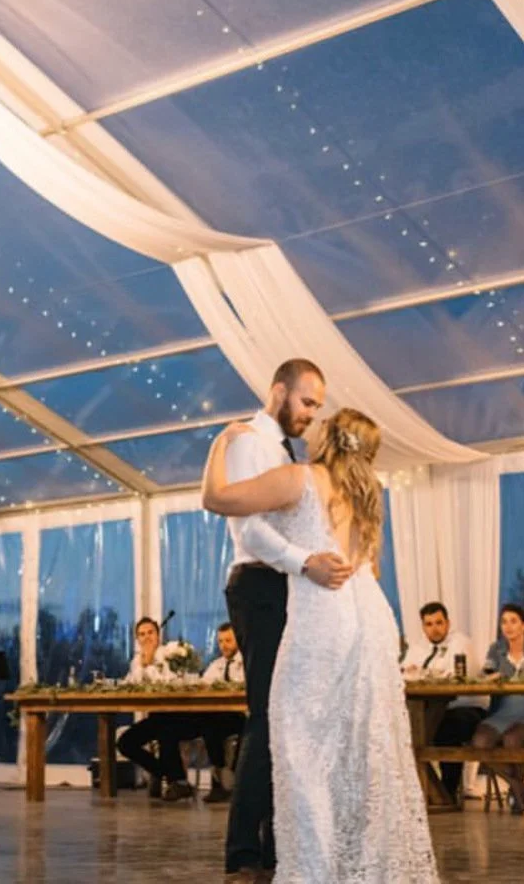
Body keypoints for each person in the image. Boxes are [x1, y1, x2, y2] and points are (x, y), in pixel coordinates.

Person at [205, 404, 439, 883]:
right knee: (360, 744)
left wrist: (219, 445)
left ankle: (314, 865)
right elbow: (372, 567)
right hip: (370, 613)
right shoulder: (368, 492)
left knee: (299, 739)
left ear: (331, 438)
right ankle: (360, 859)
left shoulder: (301, 478)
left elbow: (218, 499)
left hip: (323, 613)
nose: (311, 426)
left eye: (321, 422)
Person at [213, 359, 354, 879]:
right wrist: (304, 561)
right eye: (307, 401)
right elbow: (248, 529)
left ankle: (278, 846)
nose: (312, 414)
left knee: (288, 720)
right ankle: (243, 854)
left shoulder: (283, 451)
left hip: (284, 587)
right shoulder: (251, 441)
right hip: (260, 585)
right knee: (268, 717)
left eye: (318, 406)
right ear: (279, 391)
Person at [470, 603, 524, 814]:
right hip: (502, 712)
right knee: (479, 742)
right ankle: (517, 785)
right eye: (504, 622)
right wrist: (489, 676)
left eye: (513, 621)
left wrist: (505, 676)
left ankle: (517, 793)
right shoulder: (496, 649)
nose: (508, 626)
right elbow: (486, 674)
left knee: (512, 740)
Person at [401, 602, 487, 803]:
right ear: (423, 627)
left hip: (466, 707)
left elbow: (454, 676)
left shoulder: (460, 643)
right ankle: (420, 792)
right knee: (408, 729)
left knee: (446, 727)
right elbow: (405, 672)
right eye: (429, 624)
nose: (435, 629)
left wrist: (422, 673)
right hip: (427, 708)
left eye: (439, 623)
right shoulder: (418, 647)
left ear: (448, 623)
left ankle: (446, 792)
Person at [116, 617, 195, 802]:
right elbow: (131, 684)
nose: (146, 637)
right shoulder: (137, 660)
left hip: (180, 714)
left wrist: (150, 664)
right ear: (137, 639)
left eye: (150, 632)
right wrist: (143, 664)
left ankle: (177, 782)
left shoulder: (170, 655)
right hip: (157, 717)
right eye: (142, 634)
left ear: (158, 636)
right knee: (125, 743)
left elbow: (169, 684)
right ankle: (169, 775)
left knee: (166, 730)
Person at [199, 623, 246, 803]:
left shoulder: (245, 662)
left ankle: (234, 777)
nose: (223, 645)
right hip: (221, 716)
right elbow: (204, 685)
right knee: (208, 724)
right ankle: (220, 777)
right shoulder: (216, 665)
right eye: (220, 641)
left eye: (228, 640)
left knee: (247, 730)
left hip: (243, 715)